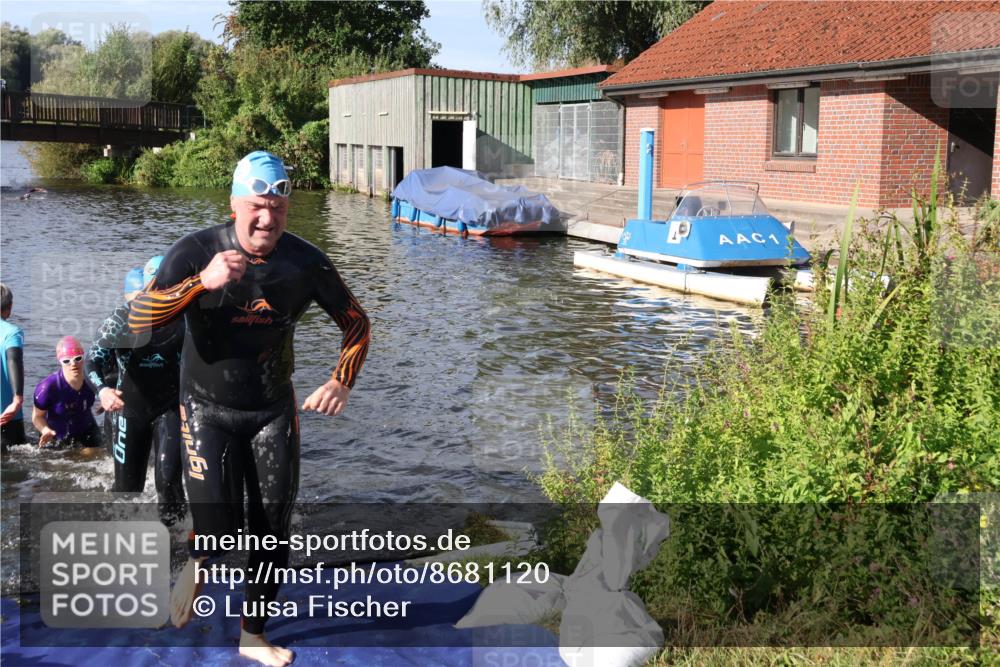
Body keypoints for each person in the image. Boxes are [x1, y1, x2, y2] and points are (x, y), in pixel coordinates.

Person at [128, 151, 371, 667]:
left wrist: (340, 381)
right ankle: (198, 561)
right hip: (204, 408)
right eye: (257, 207)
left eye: (278, 209)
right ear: (235, 204)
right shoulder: (195, 251)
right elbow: (138, 318)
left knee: (272, 527)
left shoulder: (304, 262)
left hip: (271, 410)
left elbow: (356, 323)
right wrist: (201, 284)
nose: (267, 220)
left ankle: (252, 635)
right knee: (216, 529)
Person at [86, 259, 186, 525]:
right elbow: (92, 361)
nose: (163, 290)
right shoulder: (121, 319)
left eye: (169, 284)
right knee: (127, 490)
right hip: (130, 411)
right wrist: (103, 390)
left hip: (171, 407)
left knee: (168, 480)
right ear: (147, 284)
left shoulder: (185, 319)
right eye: (158, 283)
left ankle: (175, 541)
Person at [32, 336, 101, 449]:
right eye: (66, 361)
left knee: (94, 457)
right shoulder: (48, 387)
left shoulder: (93, 378)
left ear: (84, 358)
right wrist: (45, 430)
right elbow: (37, 417)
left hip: (88, 430)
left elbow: (108, 387)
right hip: (55, 436)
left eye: (78, 358)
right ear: (60, 361)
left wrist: (105, 398)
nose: (73, 364)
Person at [1, 284, 26, 448]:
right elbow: (13, 360)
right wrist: (17, 399)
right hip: (7, 416)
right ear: (9, 307)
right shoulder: (11, 332)